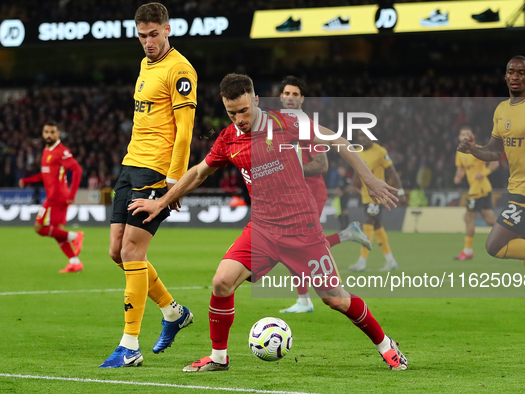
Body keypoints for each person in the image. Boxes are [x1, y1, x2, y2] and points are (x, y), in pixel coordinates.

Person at [129, 73, 408, 372]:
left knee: (336, 299)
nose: (238, 118)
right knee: (222, 282)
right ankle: (219, 357)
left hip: (302, 230)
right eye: (231, 112)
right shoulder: (227, 138)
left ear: (256, 100)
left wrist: (369, 179)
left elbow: (336, 139)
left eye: (243, 110)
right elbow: (199, 172)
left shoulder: (285, 123)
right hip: (262, 229)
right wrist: (161, 201)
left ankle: (386, 345)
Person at [100, 2, 198, 368]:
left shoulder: (180, 70)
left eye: (154, 34)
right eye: (142, 36)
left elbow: (185, 132)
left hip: (156, 171)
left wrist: (173, 183)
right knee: (116, 252)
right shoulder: (146, 64)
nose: (148, 42)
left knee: (131, 253)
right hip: (130, 165)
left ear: (168, 30)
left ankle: (129, 346)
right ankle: (173, 313)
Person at [457, 55, 525, 336]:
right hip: (518, 188)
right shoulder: (501, 110)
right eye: (511, 71)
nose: (515, 76)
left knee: (494, 245)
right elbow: (495, 152)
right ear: (505, 75)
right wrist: (474, 149)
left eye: (521, 72)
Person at [277, 75, 372, 314]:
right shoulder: (276, 124)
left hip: (311, 191)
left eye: (295, 94)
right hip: (289, 193)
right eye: (286, 93)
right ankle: (347, 234)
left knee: (296, 245)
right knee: (291, 245)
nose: (290, 98)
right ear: (280, 97)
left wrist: (289, 167)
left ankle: (306, 300)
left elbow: (321, 165)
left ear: (302, 99)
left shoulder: (308, 126)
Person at [19, 122, 84, 273]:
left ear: (58, 134)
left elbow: (77, 170)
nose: (49, 135)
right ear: (43, 134)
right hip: (54, 196)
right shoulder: (47, 150)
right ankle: (75, 262)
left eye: (52, 132)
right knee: (56, 231)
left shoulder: (62, 151)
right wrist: (27, 181)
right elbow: (45, 174)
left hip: (57, 197)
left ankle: (75, 235)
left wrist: (72, 194)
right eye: (46, 132)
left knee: (40, 228)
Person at [350, 130, 406, 272]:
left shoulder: (380, 151)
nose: (362, 139)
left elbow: (392, 172)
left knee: (368, 223)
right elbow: (358, 173)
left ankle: (362, 261)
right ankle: (391, 261)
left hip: (377, 195)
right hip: (365, 195)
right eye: (360, 136)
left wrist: (400, 192)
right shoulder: (357, 152)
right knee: (377, 226)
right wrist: (354, 186)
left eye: (365, 136)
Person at [453, 126, 499, 261]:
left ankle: (468, 251)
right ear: (459, 138)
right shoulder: (460, 152)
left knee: (468, 217)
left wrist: (483, 173)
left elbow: (495, 163)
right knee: (490, 220)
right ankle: (514, 232)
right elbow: (461, 167)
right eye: (463, 134)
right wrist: (458, 177)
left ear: (472, 136)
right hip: (478, 188)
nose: (465, 136)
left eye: (468, 133)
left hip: (479, 189)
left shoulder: (477, 149)